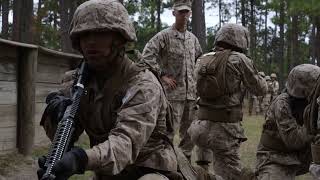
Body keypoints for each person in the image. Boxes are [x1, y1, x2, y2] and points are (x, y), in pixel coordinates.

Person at [37, 0, 181, 179]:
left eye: (100, 34)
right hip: (108, 172)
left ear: (119, 39)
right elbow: (65, 137)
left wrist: (79, 159)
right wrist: (55, 116)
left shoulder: (143, 84)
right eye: (84, 34)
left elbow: (125, 144)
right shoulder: (76, 82)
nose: (90, 42)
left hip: (149, 170)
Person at [188, 23, 267, 180]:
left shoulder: (203, 59)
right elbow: (260, 89)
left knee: (205, 167)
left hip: (199, 128)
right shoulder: (240, 59)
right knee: (231, 174)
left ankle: (202, 172)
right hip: (224, 130)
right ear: (240, 40)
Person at [142, 0, 208, 164]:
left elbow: (199, 60)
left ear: (190, 14)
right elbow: (147, 56)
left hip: (191, 96)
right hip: (172, 95)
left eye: (186, 12)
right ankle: (166, 164)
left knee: (191, 133)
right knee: (168, 133)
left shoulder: (193, 39)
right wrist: (162, 75)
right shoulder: (165, 36)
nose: (184, 16)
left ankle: (184, 162)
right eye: (181, 12)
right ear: (174, 13)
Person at [255, 64, 320, 180]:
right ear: (304, 90)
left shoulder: (313, 104)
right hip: (275, 158)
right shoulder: (282, 104)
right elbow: (293, 140)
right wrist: (312, 122)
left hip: (302, 157)